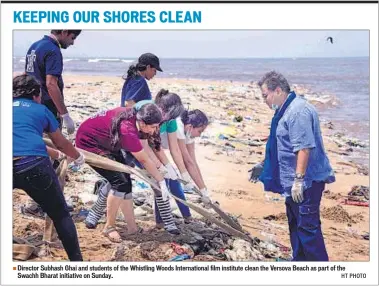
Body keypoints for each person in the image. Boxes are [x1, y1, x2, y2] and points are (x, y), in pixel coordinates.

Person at [249, 71, 335, 261]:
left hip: (307, 182)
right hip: (292, 182)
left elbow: (303, 148)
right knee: (296, 226)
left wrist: (298, 180)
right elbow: (283, 146)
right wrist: (263, 164)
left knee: (308, 230)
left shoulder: (297, 111)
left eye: (265, 95)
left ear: (278, 90)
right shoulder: (283, 111)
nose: (264, 100)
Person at [76, 103, 180, 243]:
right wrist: (161, 181)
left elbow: (151, 149)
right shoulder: (128, 130)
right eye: (154, 127)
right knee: (119, 182)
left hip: (108, 142)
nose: (156, 130)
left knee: (126, 183)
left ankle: (132, 228)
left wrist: (165, 169)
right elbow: (144, 159)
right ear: (142, 123)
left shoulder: (138, 118)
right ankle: (109, 227)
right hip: (89, 143)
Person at [13, 74, 85, 261]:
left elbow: (20, 139)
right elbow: (60, 143)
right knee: (60, 214)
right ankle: (77, 263)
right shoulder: (41, 110)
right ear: (36, 95)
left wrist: (55, 154)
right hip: (33, 165)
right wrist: (77, 156)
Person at [25, 30, 82, 133]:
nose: (72, 43)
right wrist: (65, 115)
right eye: (72, 38)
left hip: (31, 106)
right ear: (65, 32)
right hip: (47, 109)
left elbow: (26, 75)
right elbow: (51, 84)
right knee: (51, 145)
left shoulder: (34, 46)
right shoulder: (53, 50)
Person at [176, 109, 211, 204]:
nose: (199, 135)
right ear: (190, 126)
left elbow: (193, 162)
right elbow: (187, 161)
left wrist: (204, 190)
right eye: (200, 131)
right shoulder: (179, 127)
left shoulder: (188, 132)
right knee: (172, 185)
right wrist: (203, 191)